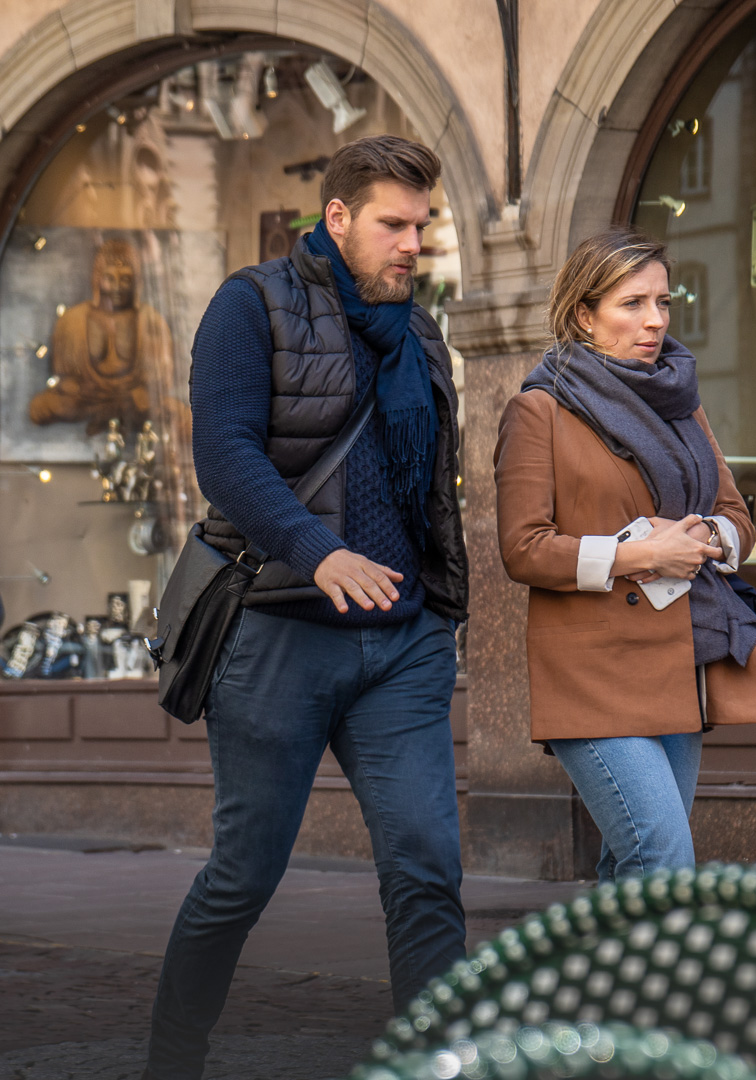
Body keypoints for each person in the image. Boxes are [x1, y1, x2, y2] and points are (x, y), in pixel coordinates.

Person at [143, 135, 469, 1080]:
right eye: (392, 224)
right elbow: (229, 460)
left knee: (425, 870)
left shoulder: (420, 331)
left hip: (401, 641)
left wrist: (440, 607)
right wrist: (319, 552)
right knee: (243, 875)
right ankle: (172, 1060)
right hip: (279, 632)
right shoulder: (251, 305)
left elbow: (430, 488)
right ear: (337, 218)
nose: (413, 244)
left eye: (423, 226)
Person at [494, 227, 756, 883]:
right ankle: (666, 989)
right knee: (662, 860)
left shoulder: (681, 403)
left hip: (677, 660)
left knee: (630, 867)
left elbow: (737, 519)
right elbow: (522, 548)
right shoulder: (540, 410)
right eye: (632, 304)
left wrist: (705, 539)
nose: (654, 321)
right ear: (584, 315)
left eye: (663, 302)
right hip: (591, 671)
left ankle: (600, 985)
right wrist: (639, 555)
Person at [29, 239, 170, 435]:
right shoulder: (71, 321)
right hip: (86, 401)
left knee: (178, 413)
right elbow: (65, 381)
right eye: (110, 279)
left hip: (134, 402)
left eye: (125, 279)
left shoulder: (152, 322)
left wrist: (136, 395)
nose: (117, 287)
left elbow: (160, 382)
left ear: (136, 281)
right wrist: (79, 390)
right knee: (40, 408)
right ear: (97, 279)